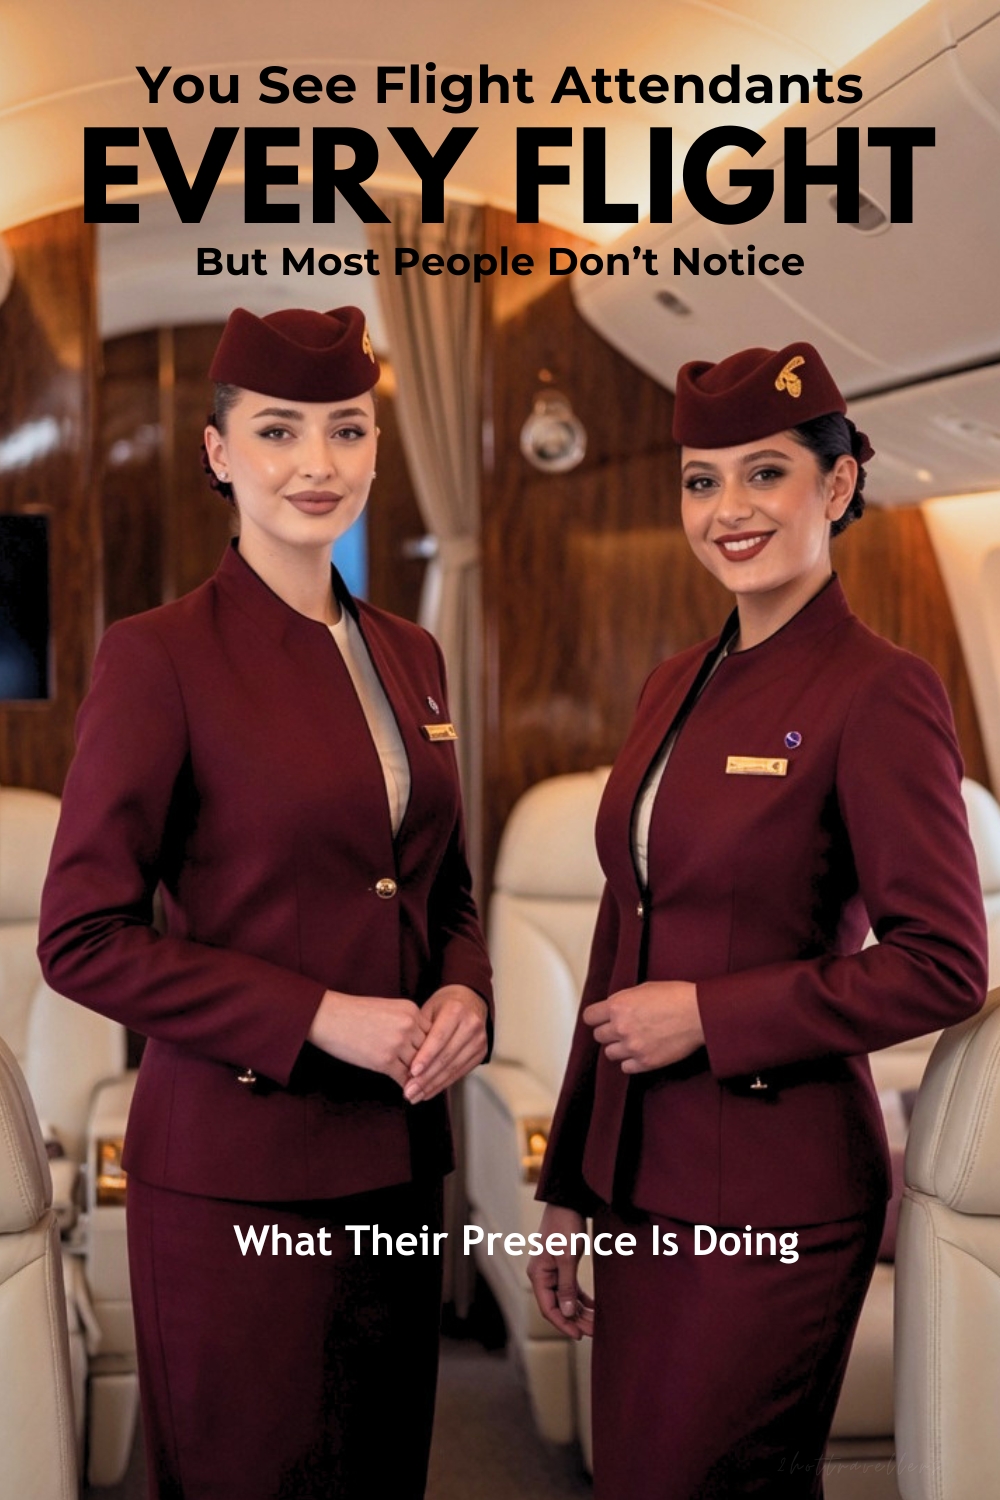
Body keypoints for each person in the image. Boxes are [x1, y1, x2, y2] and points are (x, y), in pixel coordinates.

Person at [38, 305, 493, 1500]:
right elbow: (82, 939)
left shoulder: (412, 654)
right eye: (280, 431)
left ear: (378, 449)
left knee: (382, 1470)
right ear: (218, 451)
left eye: (347, 431)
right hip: (234, 1170)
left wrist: (466, 990)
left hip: (395, 1161)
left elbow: (445, 883)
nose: (317, 463)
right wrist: (316, 1015)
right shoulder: (160, 655)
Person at [528, 341, 988, 1499]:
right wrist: (573, 1186)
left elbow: (941, 964)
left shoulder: (880, 689)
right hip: (643, 1181)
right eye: (700, 480)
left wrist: (709, 1015)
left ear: (836, 487)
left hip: (778, 1189)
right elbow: (617, 938)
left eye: (764, 473)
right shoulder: (671, 683)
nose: (726, 510)